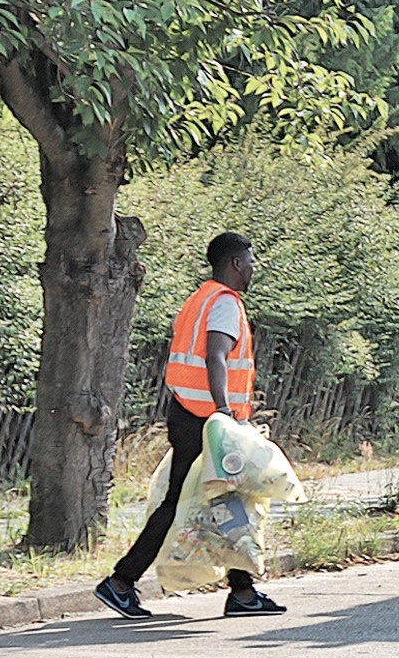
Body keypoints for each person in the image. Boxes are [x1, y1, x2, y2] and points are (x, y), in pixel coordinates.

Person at [94, 232, 286, 619]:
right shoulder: (226, 304)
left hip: (189, 412)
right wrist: (224, 412)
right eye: (250, 262)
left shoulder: (201, 298)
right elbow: (215, 356)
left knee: (231, 500)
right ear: (234, 264)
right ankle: (121, 582)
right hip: (208, 420)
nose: (253, 270)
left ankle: (243, 593)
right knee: (195, 500)